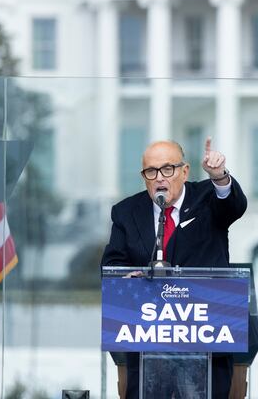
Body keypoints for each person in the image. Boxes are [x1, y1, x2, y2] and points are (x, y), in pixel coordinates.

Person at [101, 137, 247, 399]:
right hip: (149, 343)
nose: (160, 178)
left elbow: (234, 207)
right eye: (151, 171)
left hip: (206, 340)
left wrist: (220, 177)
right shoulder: (126, 211)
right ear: (144, 176)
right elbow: (112, 265)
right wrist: (126, 277)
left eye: (168, 169)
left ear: (185, 171)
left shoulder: (207, 197)